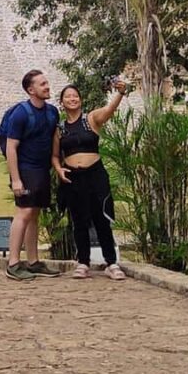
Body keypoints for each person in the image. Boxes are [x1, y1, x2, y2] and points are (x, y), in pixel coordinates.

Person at [53, 81, 127, 281]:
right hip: (73, 178)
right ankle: (83, 262)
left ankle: (111, 262)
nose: (72, 99)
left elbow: (110, 109)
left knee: (101, 219)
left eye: (75, 95)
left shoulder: (91, 119)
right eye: (67, 96)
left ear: (81, 100)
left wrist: (120, 93)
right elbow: (54, 155)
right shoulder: (60, 128)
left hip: (95, 175)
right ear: (62, 102)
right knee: (79, 221)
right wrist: (59, 169)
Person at [4, 69, 61, 281]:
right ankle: (13, 264)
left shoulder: (52, 112)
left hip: (41, 169)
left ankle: (34, 262)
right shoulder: (20, 114)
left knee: (34, 214)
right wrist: (16, 179)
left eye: (47, 83)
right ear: (31, 89)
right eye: (42, 84)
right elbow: (11, 148)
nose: (47, 87)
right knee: (24, 212)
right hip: (25, 169)